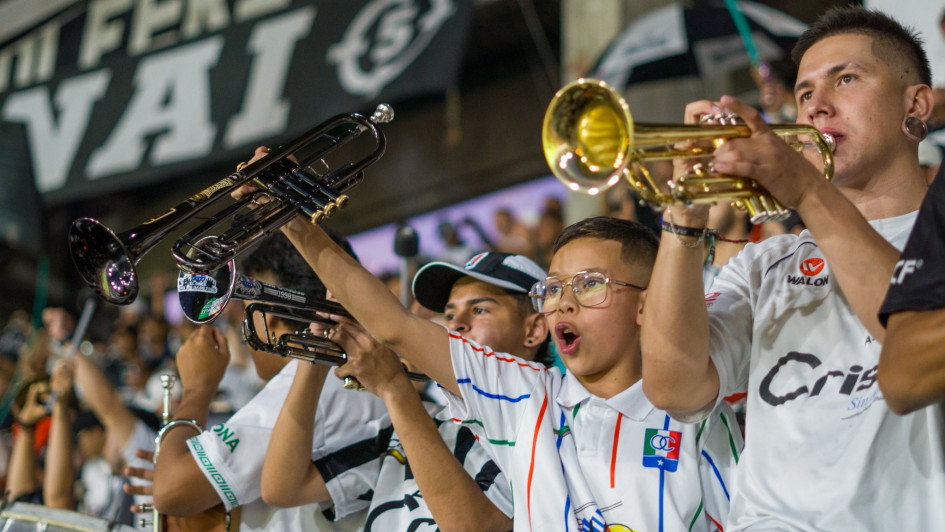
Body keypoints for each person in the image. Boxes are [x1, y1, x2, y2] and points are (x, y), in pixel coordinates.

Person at [640, 6, 943, 530]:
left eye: (845, 80)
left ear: (915, 105)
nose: (816, 108)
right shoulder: (767, 261)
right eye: (804, 94)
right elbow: (675, 389)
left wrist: (807, 190)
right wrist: (683, 213)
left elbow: (909, 336)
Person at [278, 212, 740, 530]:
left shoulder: (700, 402)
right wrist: (295, 223)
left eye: (590, 284)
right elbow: (395, 326)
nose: (566, 301)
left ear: (648, 303)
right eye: (554, 288)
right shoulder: (527, 397)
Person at [261, 252, 550, 530]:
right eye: (450, 313)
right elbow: (282, 487)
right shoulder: (424, 421)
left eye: (479, 310)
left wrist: (393, 387)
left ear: (533, 331)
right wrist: (315, 355)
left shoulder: (546, 432)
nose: (456, 324)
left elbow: (472, 526)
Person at [151, 232, 387, 531]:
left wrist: (198, 389)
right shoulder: (352, 373)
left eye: (246, 308)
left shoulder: (309, 382)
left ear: (270, 319)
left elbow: (170, 491)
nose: (241, 327)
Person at [877, 148, 945, 414]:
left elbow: (902, 378)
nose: (817, 108)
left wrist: (810, 194)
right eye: (804, 102)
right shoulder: (769, 256)